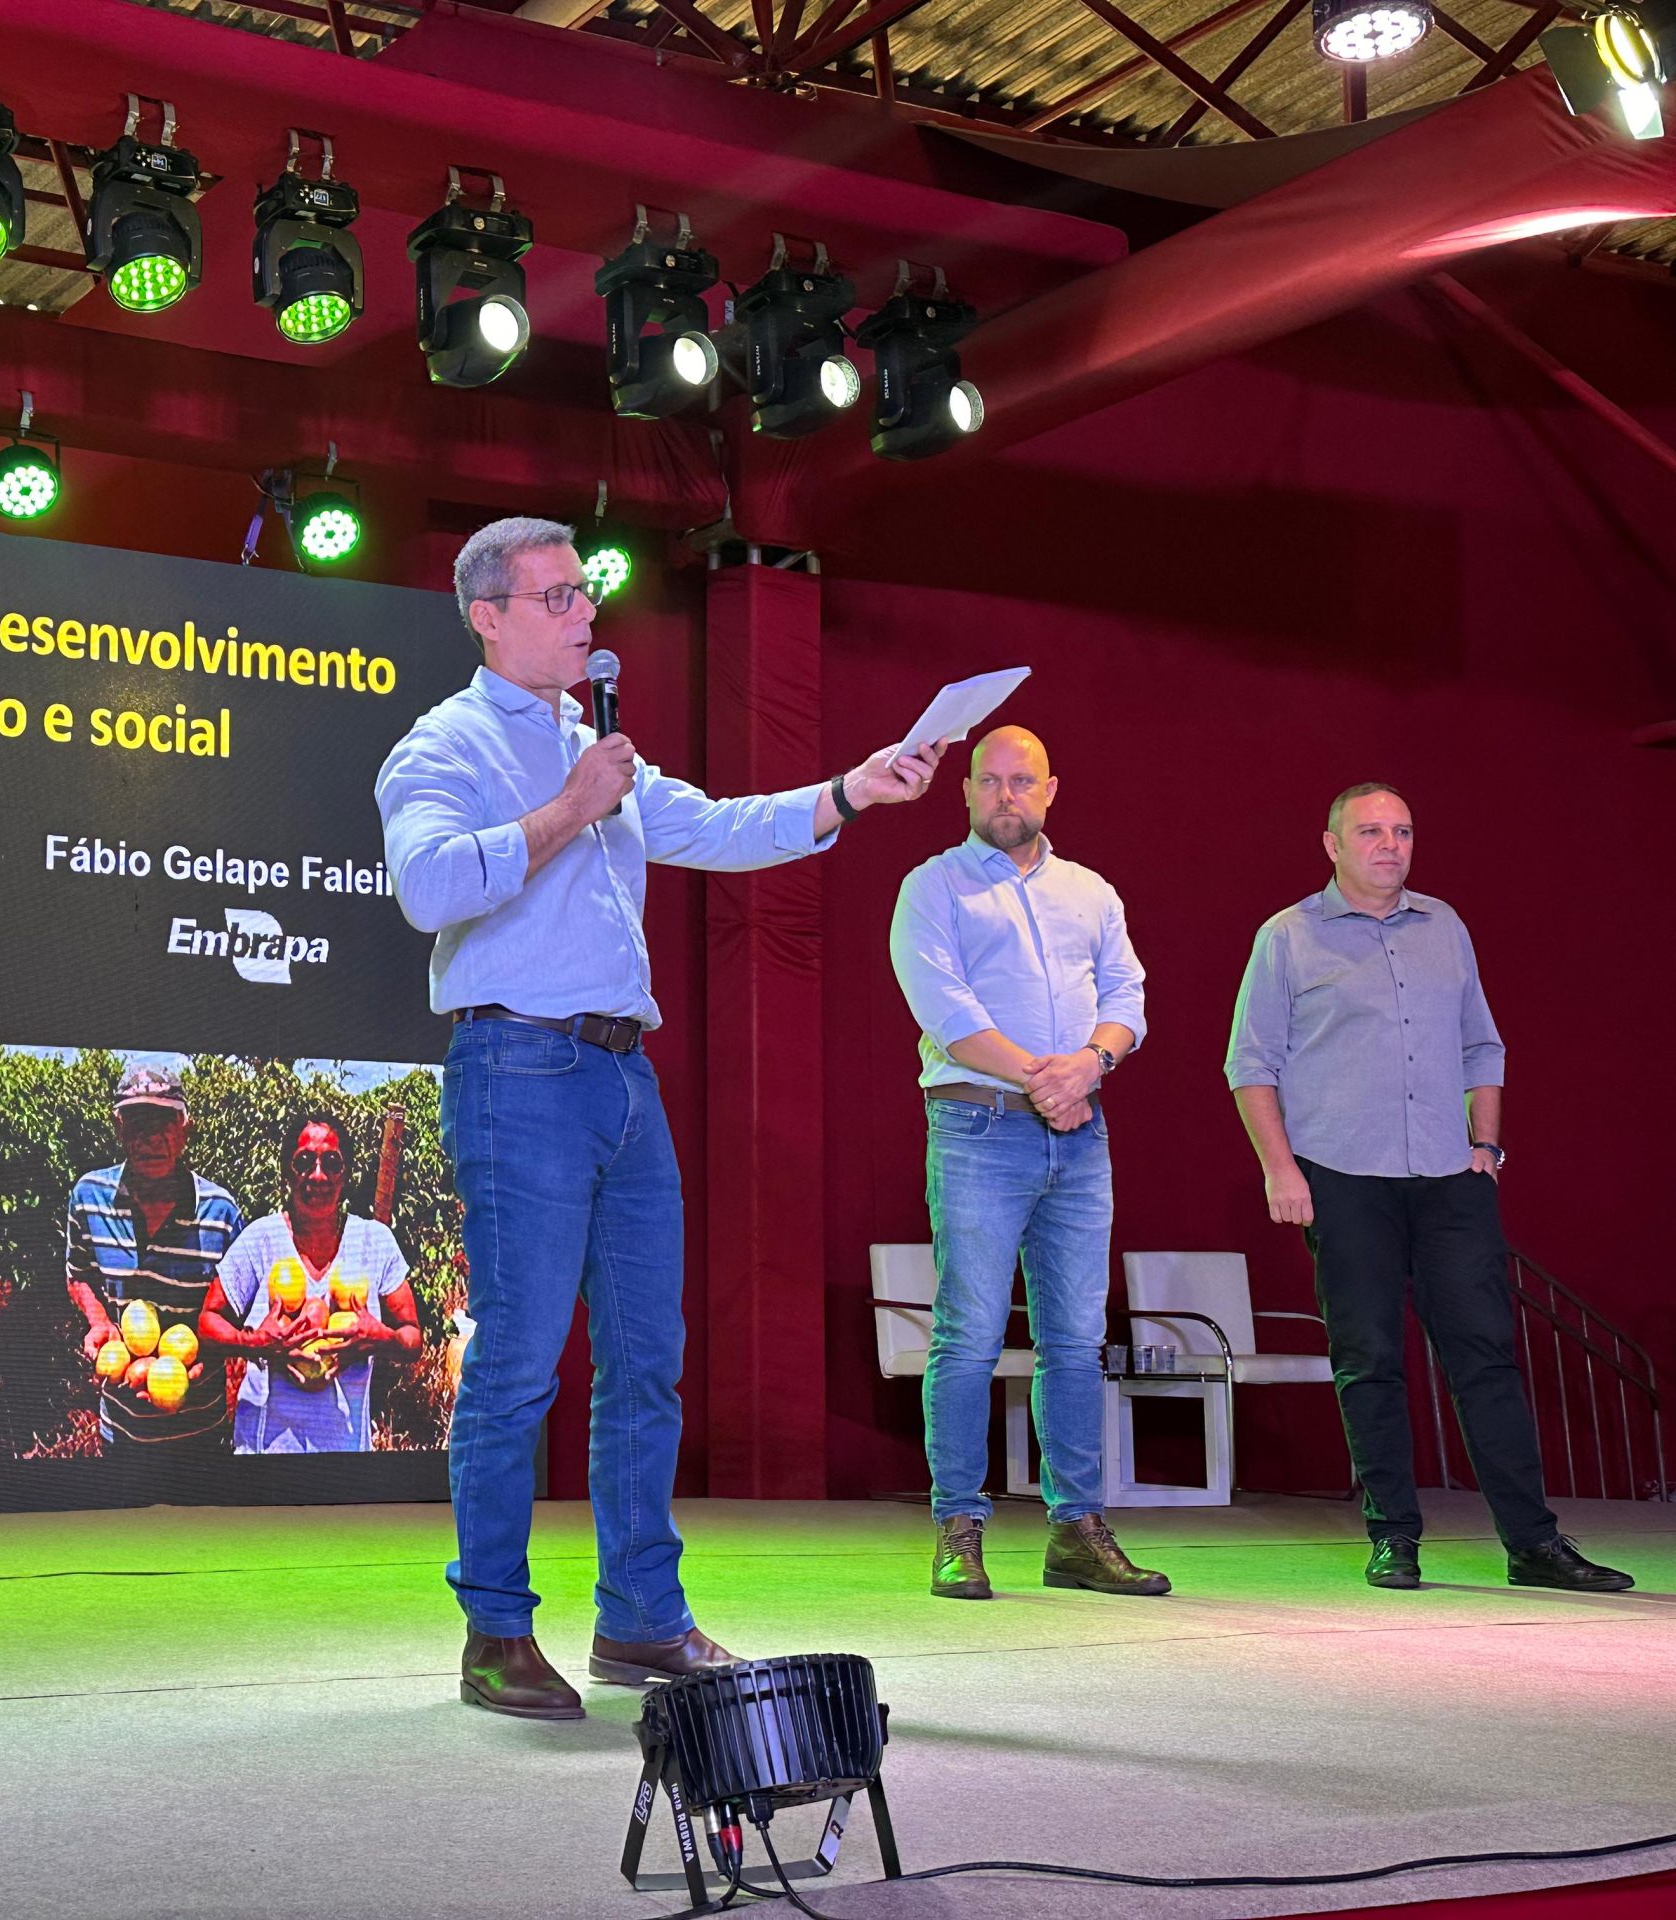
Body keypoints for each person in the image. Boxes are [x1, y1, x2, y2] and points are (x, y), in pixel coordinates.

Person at [375, 515, 944, 1721]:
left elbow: (720, 826)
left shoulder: (596, 748)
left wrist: (852, 789)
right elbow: (426, 887)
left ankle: (639, 1619)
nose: (586, 612)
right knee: (518, 1360)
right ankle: (493, 1631)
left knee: (648, 1360)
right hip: (516, 1068)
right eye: (556, 596)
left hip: (625, 1078)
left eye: (585, 592)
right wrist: (568, 808)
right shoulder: (445, 744)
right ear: (487, 617)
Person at [1224, 784, 1631, 1593]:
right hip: (1344, 1176)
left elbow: (1483, 1045)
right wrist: (1280, 1167)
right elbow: (1251, 1063)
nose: (1390, 845)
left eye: (1403, 832)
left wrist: (1486, 1144)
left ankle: (1533, 1544)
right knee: (1369, 1358)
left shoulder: (1445, 926)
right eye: (1371, 831)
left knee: (1486, 1357)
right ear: (1332, 844)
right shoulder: (1288, 936)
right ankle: (1393, 1536)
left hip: (1451, 1176)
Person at [887, 726, 1166, 1602]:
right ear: (966, 791)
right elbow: (945, 1010)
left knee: (1077, 1341)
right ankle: (958, 1528)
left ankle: (1076, 1531)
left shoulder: (1091, 892)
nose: (1005, 795)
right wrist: (1049, 1080)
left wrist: (1092, 1064)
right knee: (969, 1335)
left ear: (1051, 790)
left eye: (1022, 781)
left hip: (1080, 1135)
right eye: (990, 781)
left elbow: (1127, 996)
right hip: (978, 1129)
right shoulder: (932, 887)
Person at [200, 1115, 424, 1454]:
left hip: (345, 1458)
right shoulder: (261, 1239)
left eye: (331, 1163)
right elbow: (207, 1322)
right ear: (287, 1172)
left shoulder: (374, 1241)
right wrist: (255, 1343)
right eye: (304, 1161)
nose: (318, 1175)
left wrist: (380, 1339)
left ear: (345, 1174)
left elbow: (412, 1339)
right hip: (263, 1454)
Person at [65, 1064, 243, 1453]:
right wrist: (99, 1322)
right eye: (137, 1123)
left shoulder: (221, 1212)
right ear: (119, 1128)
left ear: (185, 1129)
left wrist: (207, 1351)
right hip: (120, 1432)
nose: (150, 1138)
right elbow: (78, 1275)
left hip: (201, 1433)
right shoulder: (89, 1197)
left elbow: (237, 1309)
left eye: (163, 1122)